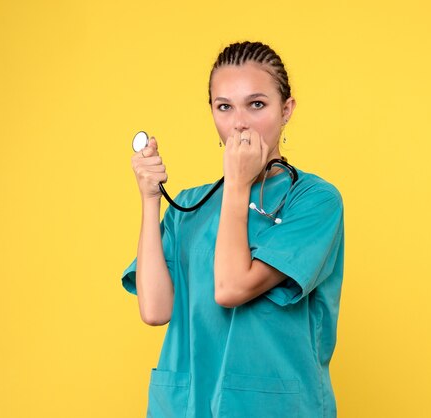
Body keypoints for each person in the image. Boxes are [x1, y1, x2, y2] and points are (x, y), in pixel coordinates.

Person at [122, 41, 344, 417]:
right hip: (188, 405)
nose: (239, 122)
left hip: (275, 407)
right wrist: (149, 199)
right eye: (224, 106)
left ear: (286, 110)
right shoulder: (190, 206)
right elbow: (155, 309)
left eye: (256, 104)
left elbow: (230, 288)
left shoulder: (314, 200)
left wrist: (237, 184)